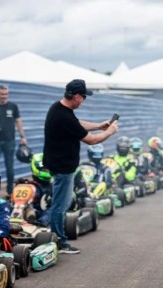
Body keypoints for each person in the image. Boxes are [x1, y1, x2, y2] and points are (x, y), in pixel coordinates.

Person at [43, 79, 118, 254]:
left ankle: (57, 238)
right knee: (60, 206)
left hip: (60, 164)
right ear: (76, 96)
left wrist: (99, 125)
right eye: (83, 97)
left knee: (61, 203)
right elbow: (91, 140)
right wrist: (109, 132)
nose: (83, 100)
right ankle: (59, 242)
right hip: (62, 167)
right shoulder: (63, 115)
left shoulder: (59, 109)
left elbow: (77, 123)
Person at [0, 85, 27, 198]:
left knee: (10, 168)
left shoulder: (13, 106)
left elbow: (18, 121)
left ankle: (10, 192)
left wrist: (22, 136)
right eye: (2, 94)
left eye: (6, 94)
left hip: (10, 142)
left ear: (7, 94)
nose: (4, 96)